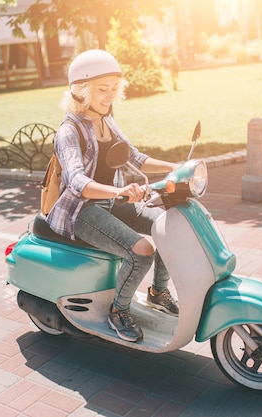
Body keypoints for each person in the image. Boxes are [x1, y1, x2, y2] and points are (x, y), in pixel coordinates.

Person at [47, 49, 179, 343]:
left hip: (110, 204)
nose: (109, 96)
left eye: (113, 89)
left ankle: (158, 292)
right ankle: (119, 311)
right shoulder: (69, 130)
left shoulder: (108, 121)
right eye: (101, 89)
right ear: (81, 91)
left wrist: (176, 167)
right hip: (82, 212)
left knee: (171, 225)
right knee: (142, 251)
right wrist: (120, 191)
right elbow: (77, 181)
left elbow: (135, 158)